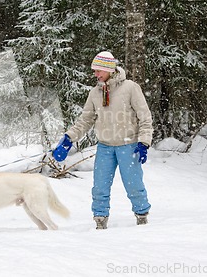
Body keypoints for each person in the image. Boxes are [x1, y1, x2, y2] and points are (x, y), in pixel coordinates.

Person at [52, 51, 153, 229]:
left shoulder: (130, 88)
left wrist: (143, 143)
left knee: (134, 184)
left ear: (109, 69)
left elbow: (145, 117)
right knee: (100, 186)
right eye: (94, 71)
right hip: (105, 147)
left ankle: (142, 216)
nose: (96, 74)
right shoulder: (95, 93)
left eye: (99, 70)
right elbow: (85, 120)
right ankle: (100, 220)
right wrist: (68, 139)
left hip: (128, 145)